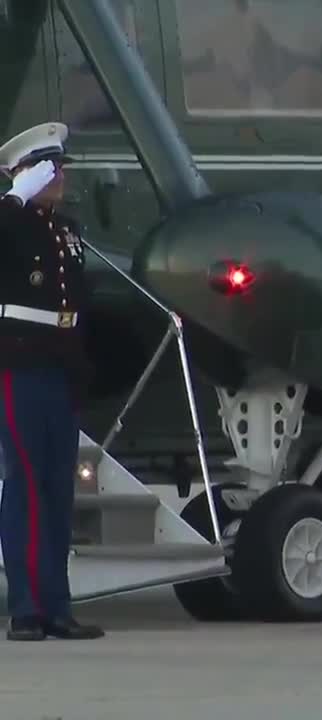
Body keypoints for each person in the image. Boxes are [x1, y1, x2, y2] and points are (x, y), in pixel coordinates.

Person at [0, 122, 103, 641]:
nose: (57, 177)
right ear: (22, 175)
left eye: (59, 167)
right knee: (25, 486)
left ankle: (57, 605)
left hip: (61, 363)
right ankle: (25, 607)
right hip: (19, 363)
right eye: (46, 169)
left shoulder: (67, 229)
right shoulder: (11, 220)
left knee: (59, 491)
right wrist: (12, 199)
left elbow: (76, 300)